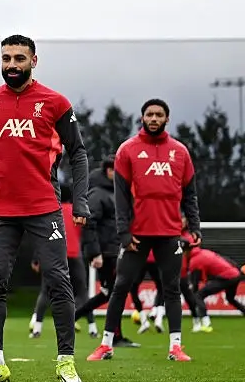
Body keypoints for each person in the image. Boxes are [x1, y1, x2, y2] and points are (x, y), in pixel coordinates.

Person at [0, 35, 89, 382]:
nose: (12, 64)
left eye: (19, 57)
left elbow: (77, 152)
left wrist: (81, 199)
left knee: (60, 282)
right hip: (0, 211)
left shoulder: (55, 102)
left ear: (34, 60)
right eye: (6, 58)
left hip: (44, 208)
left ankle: (66, 362)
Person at [86, 98, 201, 362]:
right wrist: (124, 233)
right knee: (121, 286)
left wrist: (193, 226)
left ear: (166, 119)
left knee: (171, 288)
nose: (153, 119)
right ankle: (106, 344)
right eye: (149, 114)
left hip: (170, 233)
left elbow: (190, 194)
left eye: (159, 115)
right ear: (142, 118)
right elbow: (121, 197)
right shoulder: (127, 150)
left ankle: (175, 346)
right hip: (137, 235)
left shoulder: (180, 152)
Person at [74, 157, 139, 346]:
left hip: (115, 250)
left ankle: (72, 319)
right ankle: (115, 336)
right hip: (106, 252)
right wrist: (94, 253)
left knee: (107, 292)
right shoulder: (97, 194)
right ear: (109, 171)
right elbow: (89, 224)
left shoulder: (116, 193)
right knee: (114, 292)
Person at [29, 186, 90, 338]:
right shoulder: (76, 211)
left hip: (52, 255)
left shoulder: (50, 212)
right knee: (82, 291)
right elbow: (86, 233)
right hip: (75, 254)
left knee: (46, 291)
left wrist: (37, 258)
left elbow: (41, 236)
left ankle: (37, 327)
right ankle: (92, 327)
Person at [184, 242, 245, 325]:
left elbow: (195, 283)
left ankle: (206, 322)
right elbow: (224, 259)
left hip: (226, 277)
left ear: (187, 251)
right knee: (230, 298)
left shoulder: (194, 261)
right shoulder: (204, 251)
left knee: (199, 295)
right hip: (235, 275)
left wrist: (194, 297)